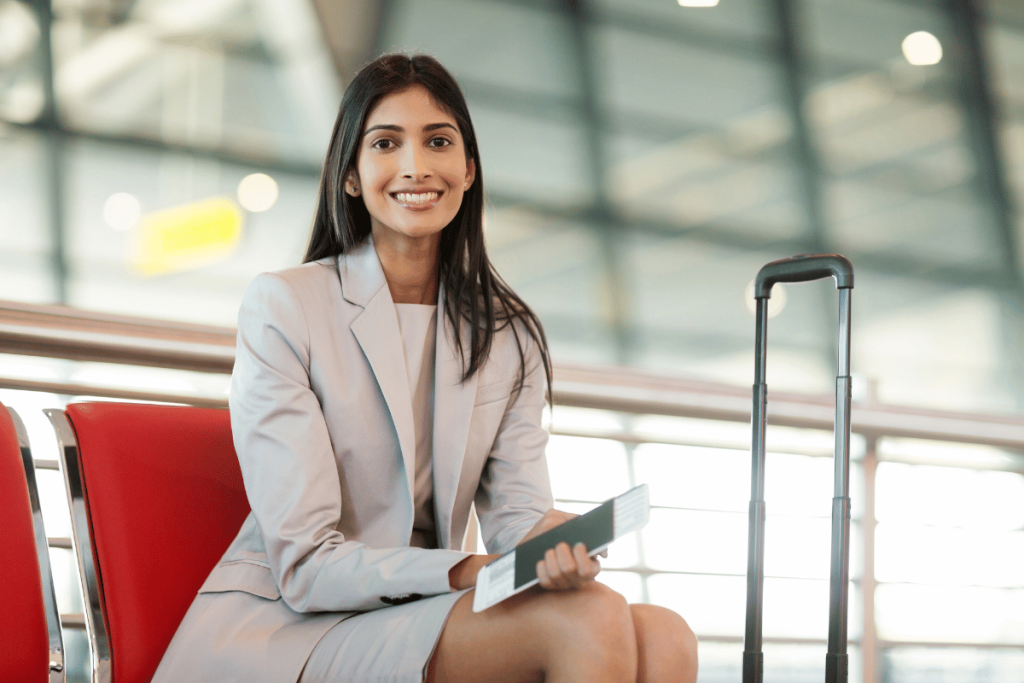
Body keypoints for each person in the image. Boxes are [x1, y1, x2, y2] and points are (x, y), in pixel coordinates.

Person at [153, 53, 698, 683]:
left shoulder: (505, 332)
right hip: (288, 629)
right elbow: (306, 565)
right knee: (589, 619)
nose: (416, 166)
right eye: (386, 143)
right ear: (351, 176)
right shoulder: (286, 306)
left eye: (438, 141)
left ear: (467, 169)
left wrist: (556, 539)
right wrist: (469, 571)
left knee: (665, 635)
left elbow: (518, 517)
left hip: (425, 610)